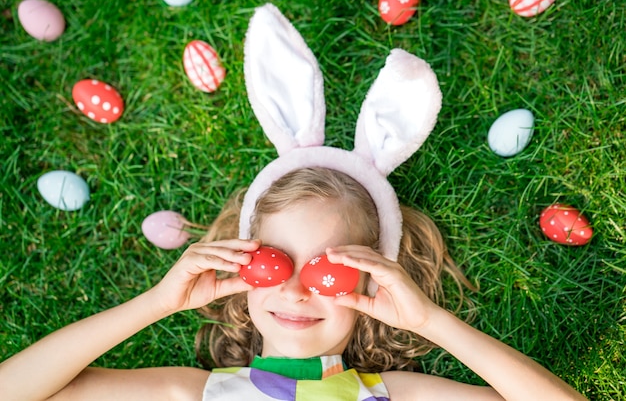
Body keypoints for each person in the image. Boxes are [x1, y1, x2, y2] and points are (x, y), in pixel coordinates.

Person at [0, 166, 585, 401]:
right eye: (275, 263)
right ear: (240, 272)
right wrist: (156, 303)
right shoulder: (198, 394)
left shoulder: (390, 395)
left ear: (372, 280)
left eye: (328, 269)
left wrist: (431, 321)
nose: (298, 290)